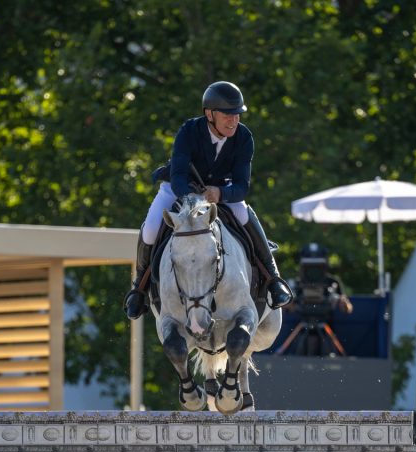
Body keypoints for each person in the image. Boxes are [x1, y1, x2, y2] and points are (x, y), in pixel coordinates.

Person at [123, 81, 292, 318]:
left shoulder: (244, 137)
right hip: (181, 188)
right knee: (151, 229)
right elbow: (178, 174)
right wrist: (192, 196)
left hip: (221, 192)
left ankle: (273, 279)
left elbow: (242, 186)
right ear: (209, 114)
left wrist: (220, 194)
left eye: (237, 115)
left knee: (244, 215)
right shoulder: (189, 131)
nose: (234, 121)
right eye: (227, 115)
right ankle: (139, 290)